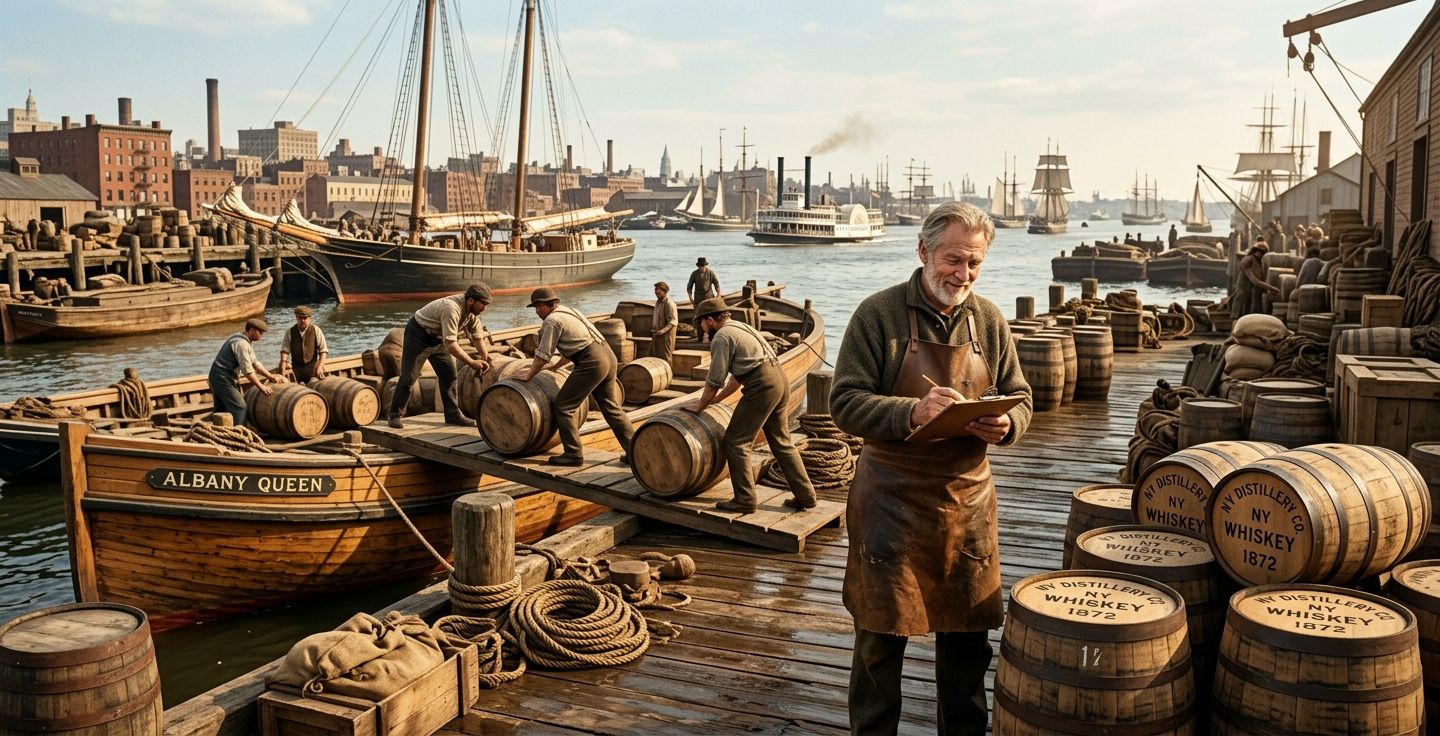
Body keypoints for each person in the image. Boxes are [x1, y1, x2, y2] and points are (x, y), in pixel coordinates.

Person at [829, 201, 1033, 735]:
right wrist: (911, 412)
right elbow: (844, 402)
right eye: (953, 259)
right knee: (879, 644)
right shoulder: (877, 315)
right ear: (922, 250)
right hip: (890, 502)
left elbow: (1021, 394)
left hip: (967, 505)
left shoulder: (989, 319)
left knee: (967, 646)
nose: (963, 274)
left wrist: (1008, 424)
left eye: (974, 263)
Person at [683, 297, 817, 513]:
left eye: (701, 323)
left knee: (736, 442)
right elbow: (736, 378)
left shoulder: (722, 337)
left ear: (710, 320)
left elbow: (715, 380)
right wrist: (715, 400)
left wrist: (701, 405)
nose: (701, 328)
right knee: (782, 442)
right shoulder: (740, 327)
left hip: (762, 386)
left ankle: (744, 499)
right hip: (779, 380)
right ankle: (806, 496)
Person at [519, 287, 634, 466]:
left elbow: (543, 355)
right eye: (535, 307)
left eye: (539, 306)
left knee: (563, 406)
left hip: (592, 362)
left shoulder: (552, 320)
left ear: (549, 305)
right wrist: (556, 367)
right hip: (608, 356)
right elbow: (576, 345)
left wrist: (529, 373)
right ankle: (634, 451)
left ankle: (573, 454)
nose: (537, 311)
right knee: (612, 408)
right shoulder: (571, 311)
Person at [386, 284, 492, 429]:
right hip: (419, 336)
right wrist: (472, 363)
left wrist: (485, 356)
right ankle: (394, 415)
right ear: (470, 301)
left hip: (439, 338)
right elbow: (451, 346)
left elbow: (477, 337)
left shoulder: (473, 314)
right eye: (483, 303)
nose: (485, 307)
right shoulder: (451, 309)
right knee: (409, 377)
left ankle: (453, 415)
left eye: (487, 304)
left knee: (449, 376)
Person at [209, 317, 286, 425]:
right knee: (240, 407)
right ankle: (240, 433)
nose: (261, 336)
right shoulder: (241, 344)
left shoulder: (245, 340)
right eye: (260, 332)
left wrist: (270, 376)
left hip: (219, 376)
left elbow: (255, 363)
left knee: (221, 409)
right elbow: (248, 372)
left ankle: (220, 431)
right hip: (222, 377)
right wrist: (261, 387)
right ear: (252, 330)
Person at [1231, 238, 1279, 320]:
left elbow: (1261, 279)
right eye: (1263, 253)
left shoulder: (1259, 262)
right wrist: (1271, 288)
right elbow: (1255, 281)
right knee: (1239, 319)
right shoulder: (1248, 260)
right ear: (1257, 251)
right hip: (1243, 296)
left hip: (1251, 297)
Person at [278, 305, 328, 383]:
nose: (302, 321)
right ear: (296, 318)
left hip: (312, 368)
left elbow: (323, 351)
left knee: (314, 384)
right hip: (296, 369)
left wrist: (319, 367)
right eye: (300, 318)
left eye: (305, 318)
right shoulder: (289, 332)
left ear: (310, 318)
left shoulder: (316, 330)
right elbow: (285, 351)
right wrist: (283, 370)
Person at [687, 257, 721, 341]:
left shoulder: (710, 273)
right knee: (698, 318)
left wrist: (718, 293)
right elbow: (689, 286)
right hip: (698, 299)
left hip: (709, 298)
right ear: (698, 266)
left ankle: (712, 337)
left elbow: (716, 283)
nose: (701, 268)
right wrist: (690, 297)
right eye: (700, 266)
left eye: (703, 266)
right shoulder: (694, 274)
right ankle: (700, 338)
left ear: (705, 265)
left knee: (711, 317)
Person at [650, 281, 678, 361]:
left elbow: (673, 322)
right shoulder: (658, 302)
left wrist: (662, 331)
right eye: (655, 289)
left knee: (666, 356)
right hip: (657, 334)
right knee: (656, 356)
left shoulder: (669, 304)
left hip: (667, 336)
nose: (656, 292)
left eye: (659, 290)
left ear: (664, 291)